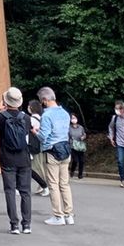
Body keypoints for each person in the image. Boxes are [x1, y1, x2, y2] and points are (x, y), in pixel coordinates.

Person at [0, 87, 33, 233]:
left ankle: (14, 225)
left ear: (6, 101)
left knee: (10, 191)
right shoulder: (26, 118)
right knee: (25, 191)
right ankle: (27, 225)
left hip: (7, 158)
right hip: (24, 158)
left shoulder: (0, 117)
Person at [37, 85, 74, 226]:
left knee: (53, 184)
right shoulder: (65, 113)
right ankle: (69, 215)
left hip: (52, 151)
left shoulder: (47, 115)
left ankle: (58, 216)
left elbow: (43, 136)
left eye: (42, 101)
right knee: (65, 184)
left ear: (45, 100)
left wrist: (36, 132)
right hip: (65, 150)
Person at [26, 101, 49, 196]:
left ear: (31, 108)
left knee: (36, 167)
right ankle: (42, 186)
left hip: (34, 145)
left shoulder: (32, 119)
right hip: (42, 145)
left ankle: (45, 186)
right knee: (41, 166)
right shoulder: (42, 118)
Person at [69, 113, 88, 180]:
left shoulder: (80, 127)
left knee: (81, 160)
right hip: (72, 146)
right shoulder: (69, 128)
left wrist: (83, 137)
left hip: (80, 145)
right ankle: (72, 170)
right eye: (72, 118)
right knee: (75, 160)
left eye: (75, 118)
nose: (73, 119)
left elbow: (84, 134)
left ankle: (80, 174)